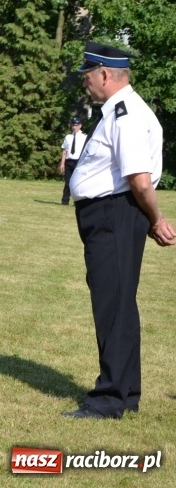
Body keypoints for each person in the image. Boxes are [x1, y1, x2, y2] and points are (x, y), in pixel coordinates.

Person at [62, 41, 175, 420]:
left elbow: (139, 179)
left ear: (105, 75)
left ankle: (109, 397)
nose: (86, 84)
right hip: (115, 213)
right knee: (120, 303)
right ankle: (126, 391)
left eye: (88, 76)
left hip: (113, 214)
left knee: (112, 304)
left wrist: (156, 219)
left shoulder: (124, 114)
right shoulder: (123, 111)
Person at [58, 117, 87, 205]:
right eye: (73, 125)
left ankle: (77, 201)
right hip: (69, 161)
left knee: (78, 183)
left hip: (78, 161)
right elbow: (64, 151)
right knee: (68, 182)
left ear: (80, 126)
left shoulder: (84, 137)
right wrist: (62, 163)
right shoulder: (68, 137)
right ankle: (64, 201)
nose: (74, 127)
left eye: (76, 125)